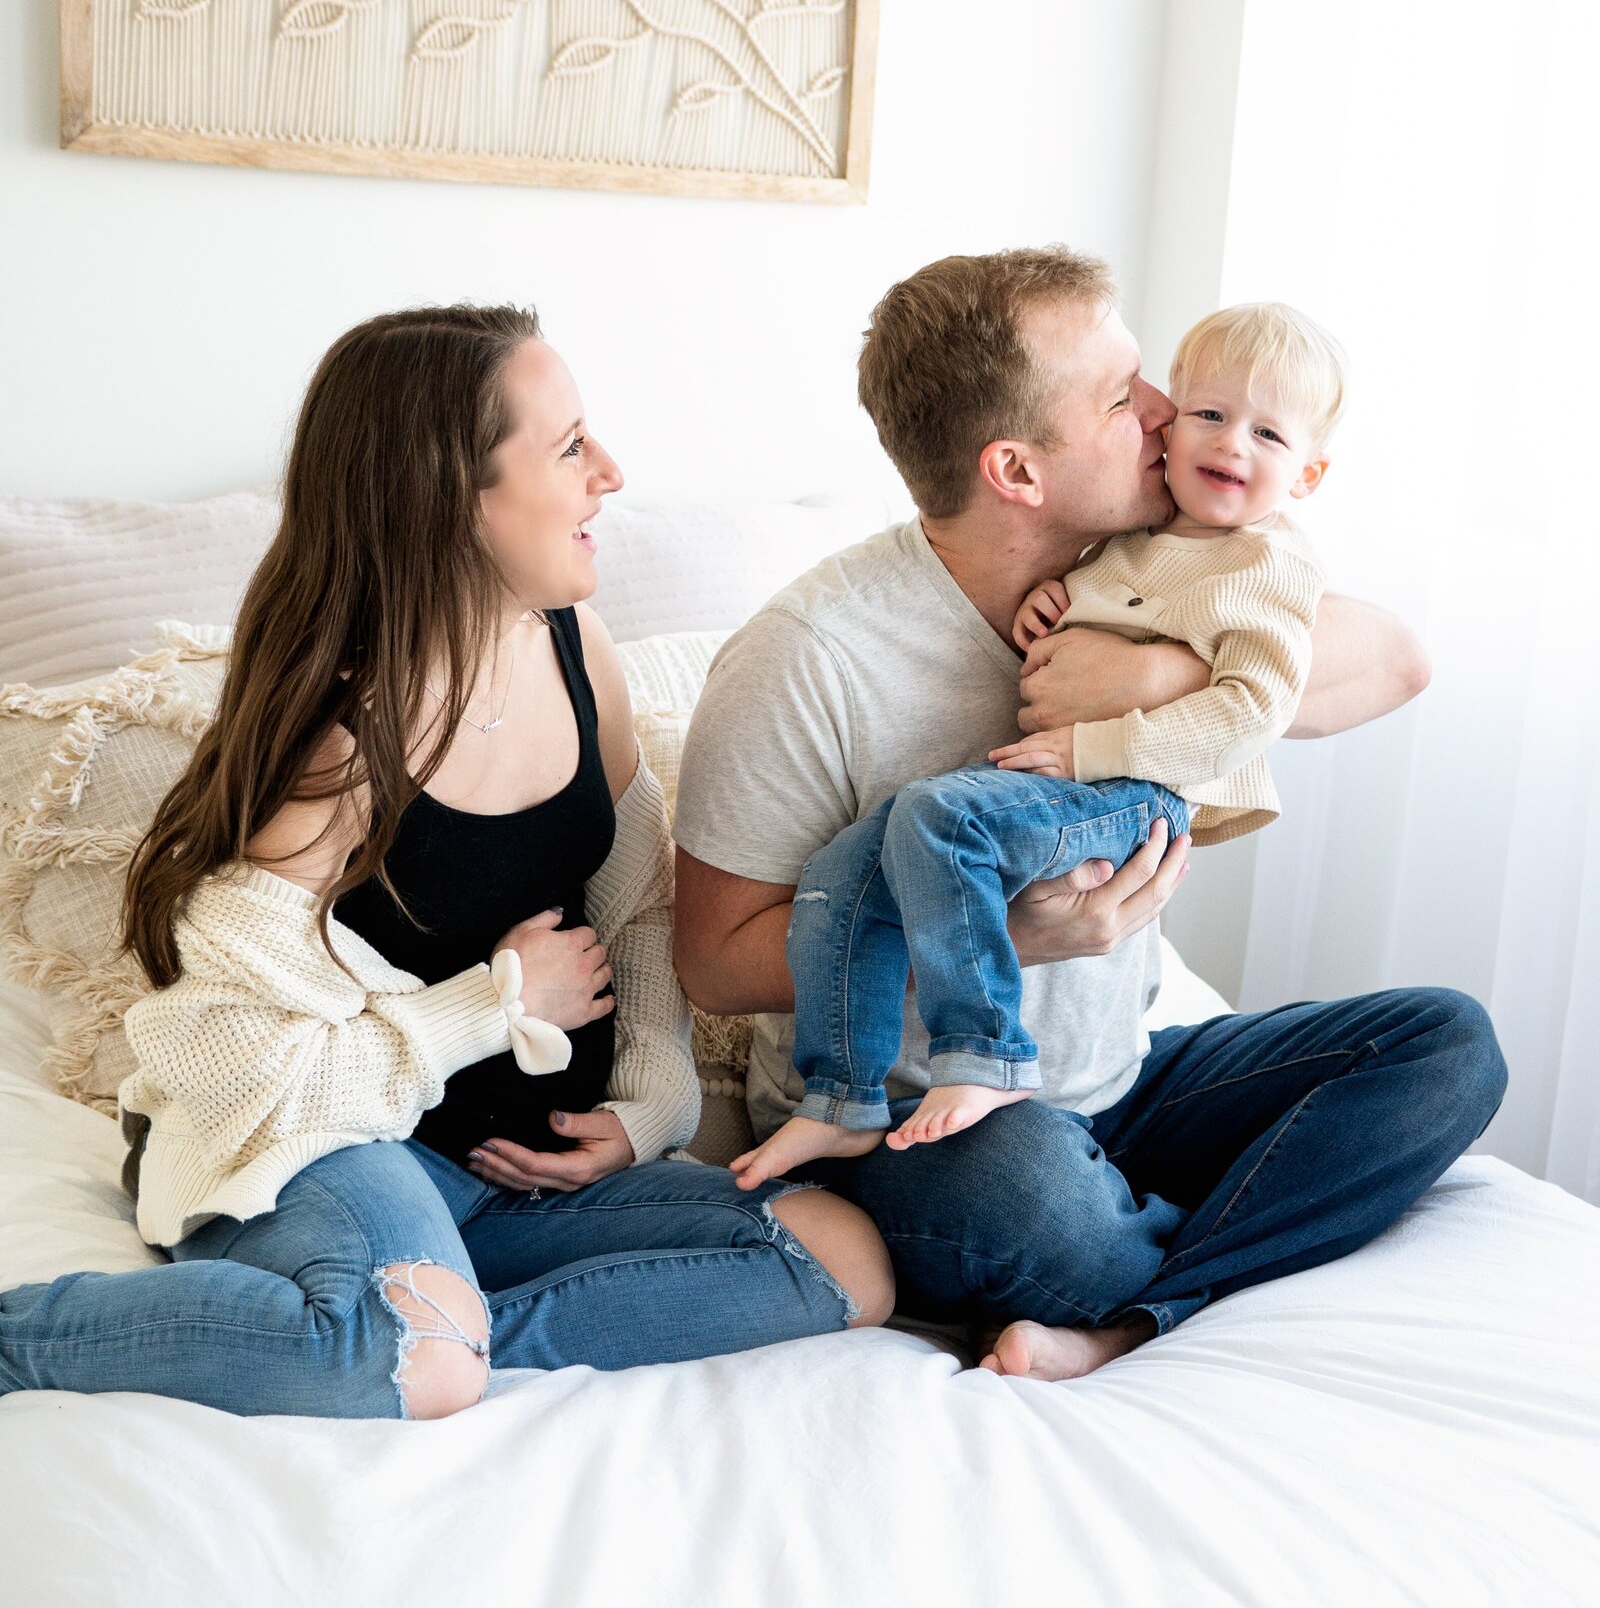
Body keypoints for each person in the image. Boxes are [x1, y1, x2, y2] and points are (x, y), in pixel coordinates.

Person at [0, 305, 892, 1420]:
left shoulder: (576, 648)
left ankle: (444, 1328)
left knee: (840, 1255)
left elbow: (638, 909)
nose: (609, 472)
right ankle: (33, 1340)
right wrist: (490, 1006)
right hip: (328, 1150)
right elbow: (229, 1069)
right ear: (449, 494)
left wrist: (648, 1105)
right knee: (415, 1352)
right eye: (569, 447)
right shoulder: (337, 742)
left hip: (523, 1173)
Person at [673, 248, 1507, 1379]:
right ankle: (1159, 1250)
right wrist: (1009, 935)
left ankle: (1127, 1310)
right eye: (1123, 399)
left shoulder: (1161, 573)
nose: (1167, 414)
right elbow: (715, 964)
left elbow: (1396, 660)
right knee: (1034, 1201)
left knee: (1447, 1046)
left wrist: (1163, 677)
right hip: (923, 1123)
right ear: (1015, 468)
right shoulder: (807, 658)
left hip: (1122, 1075)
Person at [728, 300, 1337, 1181]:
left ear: (1308, 474)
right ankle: (843, 1100)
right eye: (1188, 408)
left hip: (1132, 782)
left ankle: (985, 1057)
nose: (1204, 432)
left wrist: (1136, 702)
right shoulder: (1135, 534)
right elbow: (1113, 597)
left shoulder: (1267, 559)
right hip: (1076, 788)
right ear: (1015, 469)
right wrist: (1058, 604)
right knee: (843, 874)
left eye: (1268, 434)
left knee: (1441, 1040)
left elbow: (1269, 703)